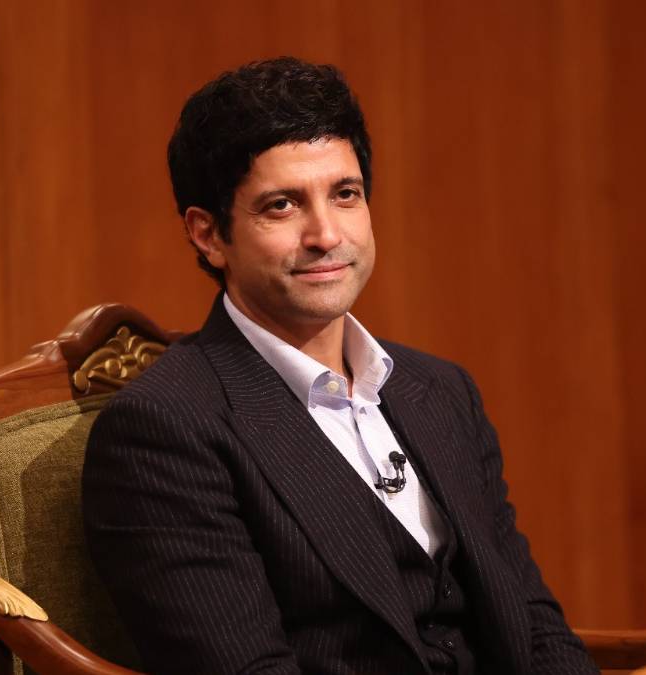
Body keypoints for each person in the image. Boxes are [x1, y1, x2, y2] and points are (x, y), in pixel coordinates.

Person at [82, 56, 598, 675]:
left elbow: (533, 625)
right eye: (282, 205)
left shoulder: (441, 390)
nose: (326, 235)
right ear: (208, 235)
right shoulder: (165, 430)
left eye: (345, 195)